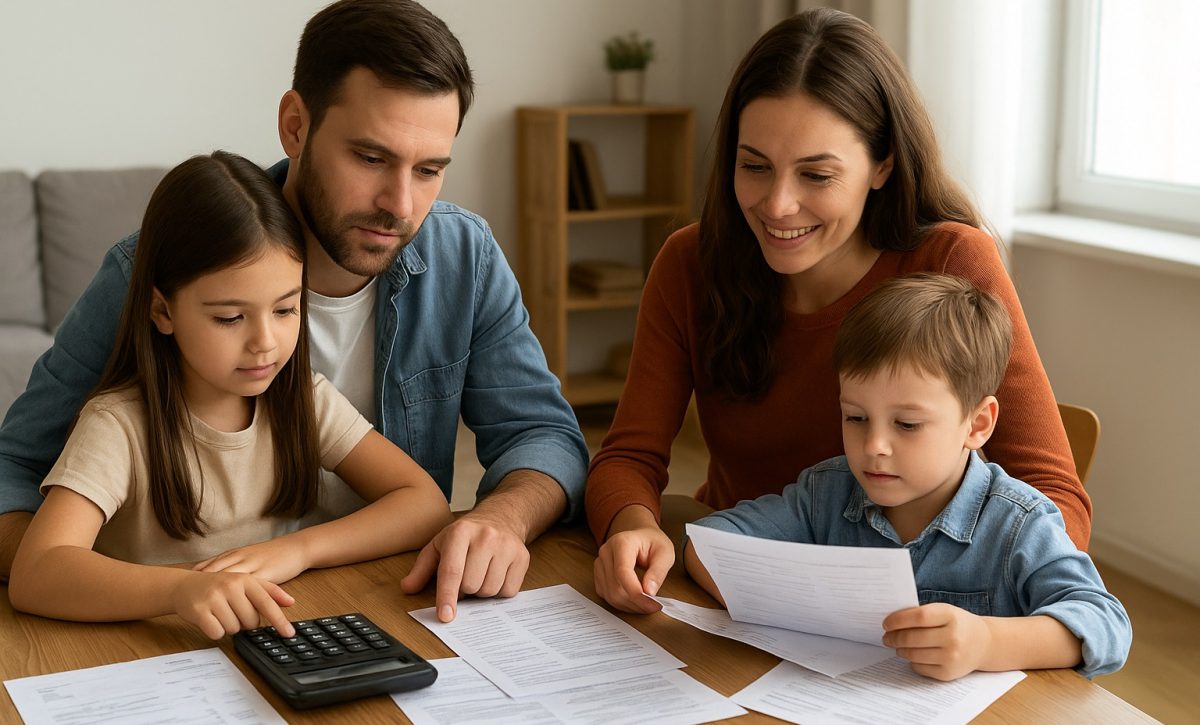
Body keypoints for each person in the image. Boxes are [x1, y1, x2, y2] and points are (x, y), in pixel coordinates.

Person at [0, 0, 589, 623]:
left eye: (428, 170)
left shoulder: (463, 257)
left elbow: (543, 435)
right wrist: (111, 579)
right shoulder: (157, 271)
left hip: (378, 600)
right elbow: (15, 470)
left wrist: (501, 517)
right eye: (370, 158)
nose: (400, 204)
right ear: (295, 126)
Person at [588, 7, 1091, 614]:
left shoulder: (950, 260)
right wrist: (631, 527)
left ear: (882, 164)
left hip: (913, 608)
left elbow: (1053, 495)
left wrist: (969, 613)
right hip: (742, 587)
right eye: (754, 166)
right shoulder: (690, 263)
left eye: (817, 175)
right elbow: (629, 457)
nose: (778, 204)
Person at [7, 151, 453, 639]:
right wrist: (180, 589)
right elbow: (37, 571)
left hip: (256, 635)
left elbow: (423, 503)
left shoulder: (304, 398)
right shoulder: (117, 426)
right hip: (140, 647)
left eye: (285, 310)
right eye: (230, 318)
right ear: (163, 311)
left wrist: (299, 550)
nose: (265, 342)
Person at [684, 273, 1131, 681]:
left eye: (907, 424)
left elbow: (1105, 624)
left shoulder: (1018, 523)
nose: (874, 445)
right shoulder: (825, 493)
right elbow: (710, 541)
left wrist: (986, 642)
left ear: (977, 424)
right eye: (856, 417)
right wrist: (773, 597)